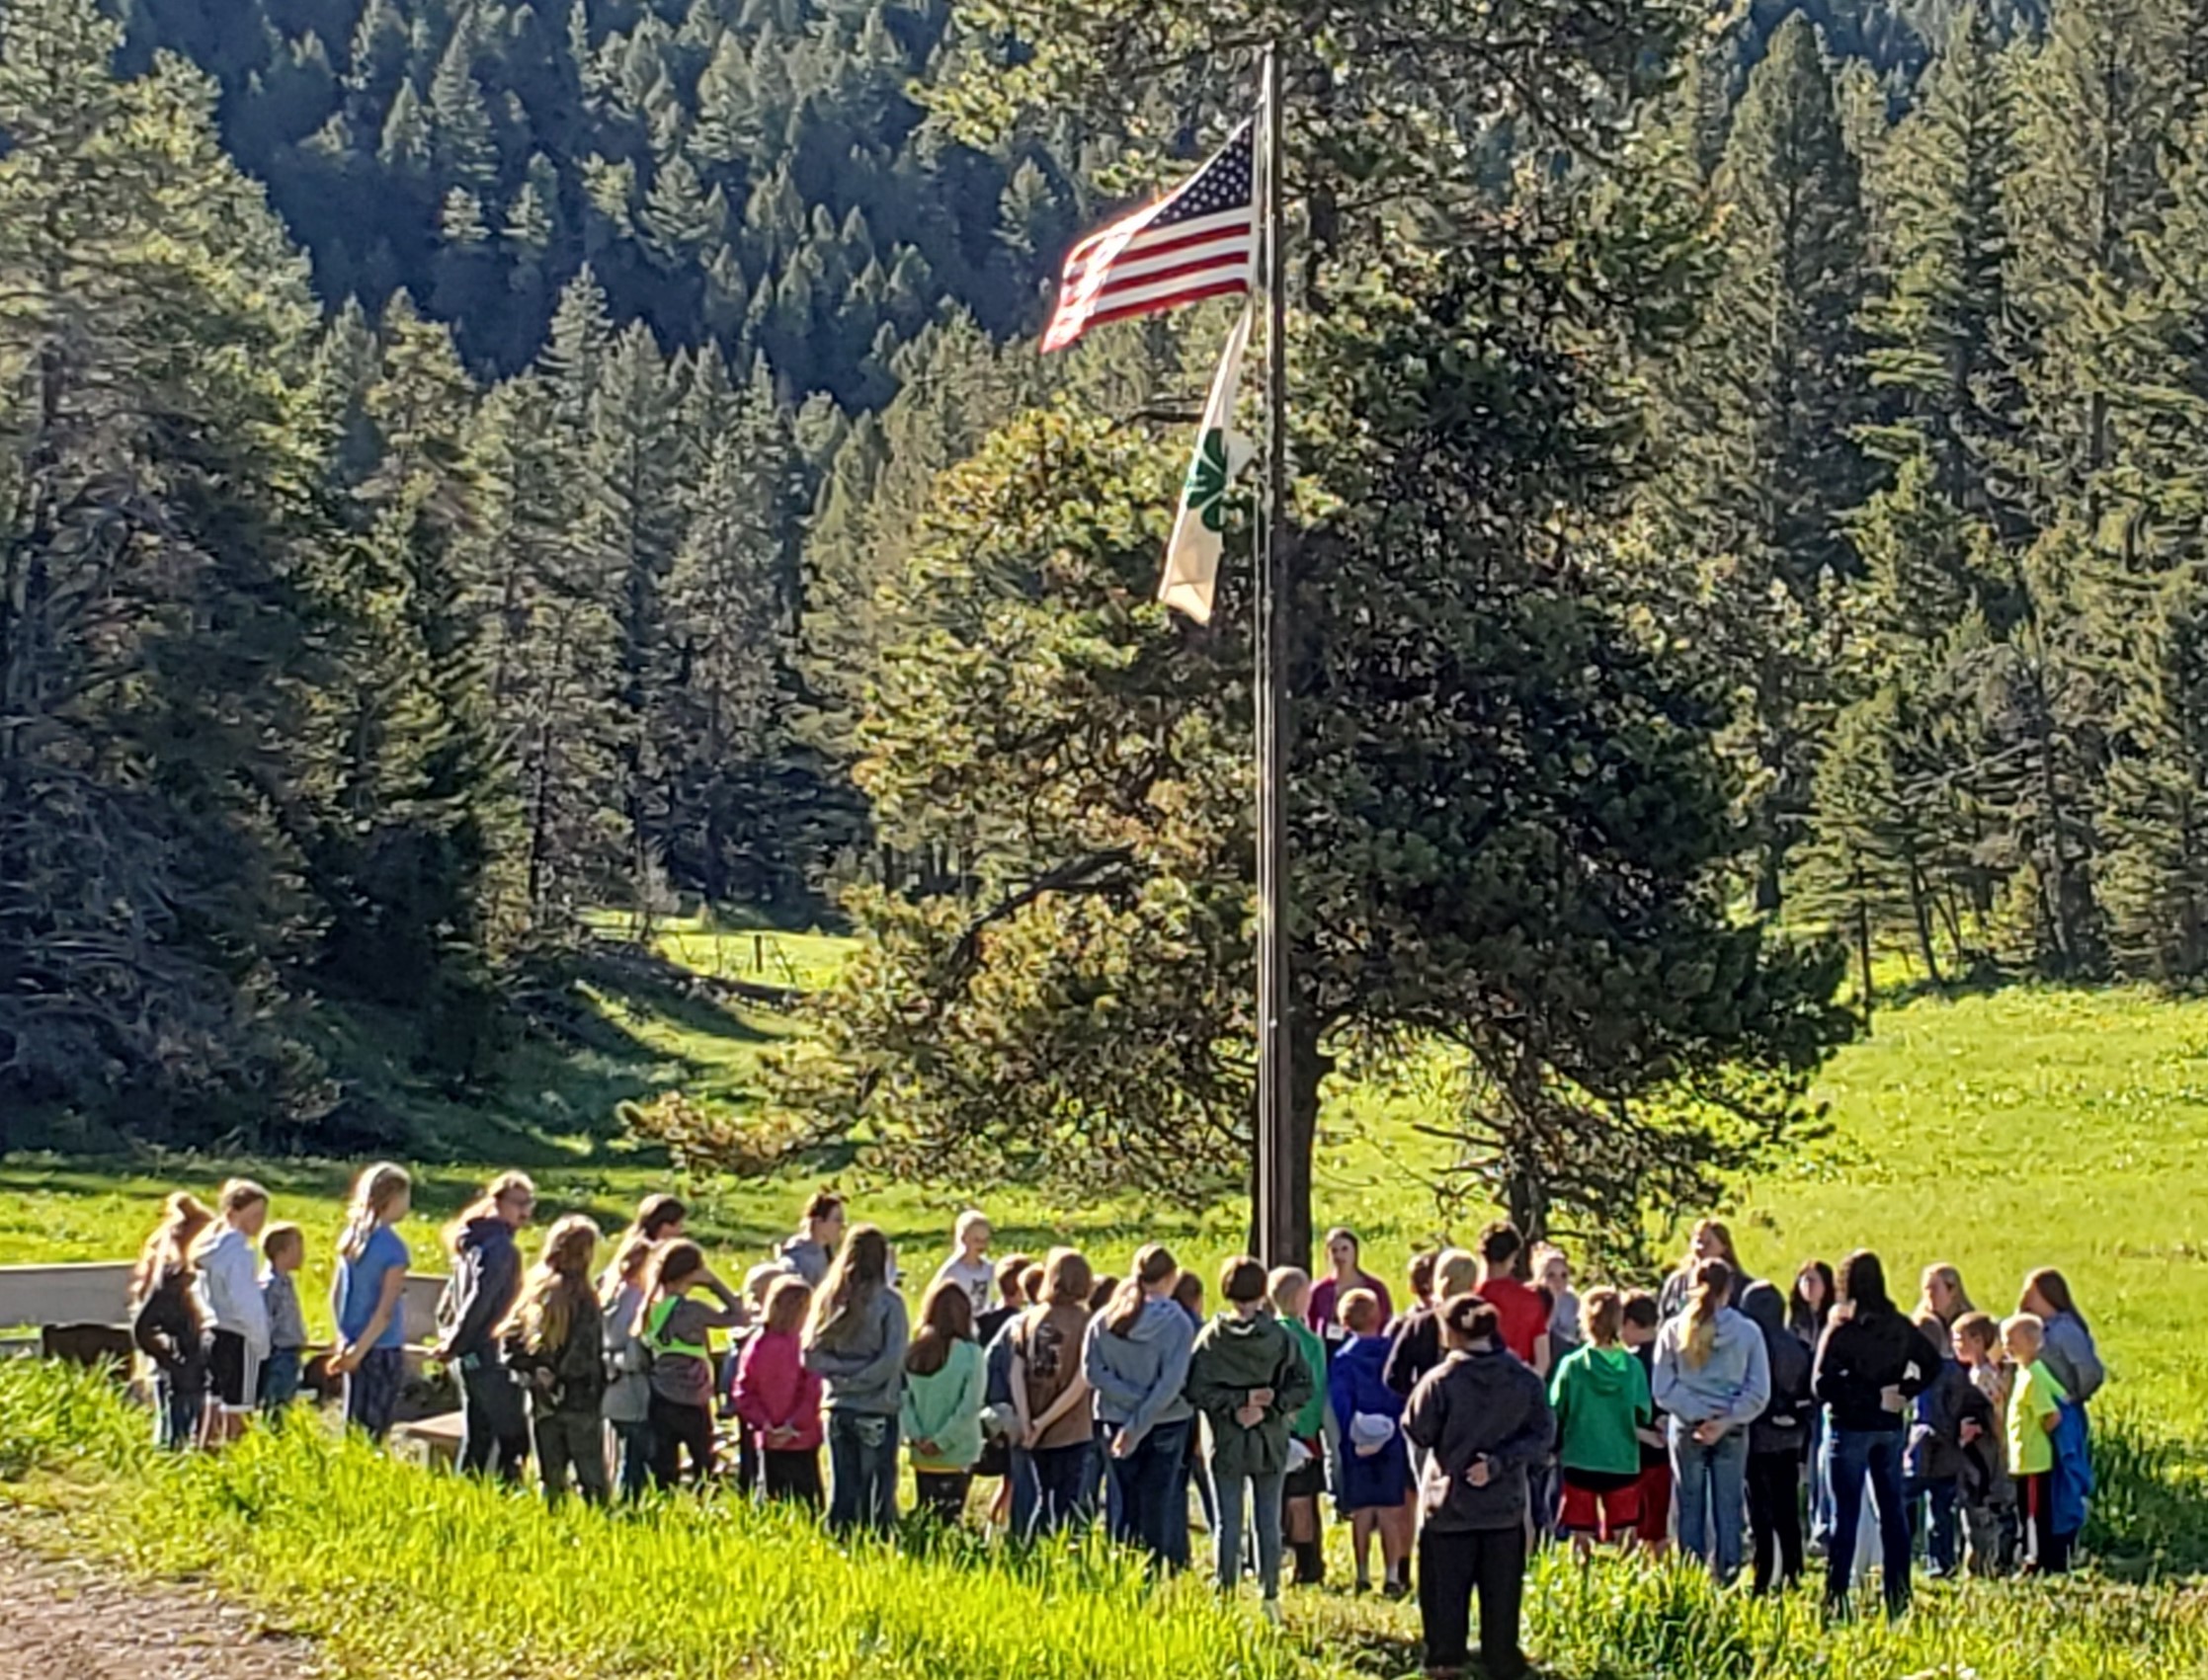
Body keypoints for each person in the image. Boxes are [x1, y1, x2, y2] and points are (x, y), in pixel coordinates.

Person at [1403, 1296, 1555, 1680]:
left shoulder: (1440, 1381)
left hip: (1450, 1508)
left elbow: (1417, 1430)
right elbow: (1543, 1437)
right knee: (1501, 1608)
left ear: (1450, 1332)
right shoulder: (1523, 1379)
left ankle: (1445, 1663)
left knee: (1445, 1608)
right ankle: (1501, 1663)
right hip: (1504, 1509)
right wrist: (1500, 1462)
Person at [1812, 1249, 1944, 1618]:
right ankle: (1898, 1595)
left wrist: (1864, 1394)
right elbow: (1932, 1364)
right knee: (1893, 1515)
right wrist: (1904, 1392)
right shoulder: (1899, 1325)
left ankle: (1837, 1596)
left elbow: (1822, 1384)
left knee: (1845, 1516)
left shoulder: (1843, 1329)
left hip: (1850, 1426)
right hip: (1888, 1426)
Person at [1186, 1256, 1311, 1622]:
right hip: (1268, 1439)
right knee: (1267, 1521)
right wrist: (1269, 1405)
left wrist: (1233, 1403)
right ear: (1262, 1293)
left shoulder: (1211, 1338)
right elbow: (1302, 1385)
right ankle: (1270, 1595)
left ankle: (1224, 1592)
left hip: (1224, 1439)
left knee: (1227, 1522)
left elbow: (1195, 1389)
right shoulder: (1279, 1337)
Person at [1652, 1258, 1770, 1584]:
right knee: (1728, 1505)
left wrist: (1697, 1413)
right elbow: (1759, 1391)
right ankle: (1728, 1577)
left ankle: (1690, 1579)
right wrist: (1726, 1418)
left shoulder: (1674, 1330)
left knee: (1689, 1503)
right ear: (1729, 1289)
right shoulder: (1747, 1332)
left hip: (1687, 1426)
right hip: (1730, 1428)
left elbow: (1663, 1388)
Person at [1083, 1243, 1196, 1567]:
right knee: (1159, 1501)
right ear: (1170, 1277)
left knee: (1122, 1500)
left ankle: (1120, 1566)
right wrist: (1143, 1412)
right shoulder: (1177, 1323)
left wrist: (1130, 1411)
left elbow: (1092, 1372)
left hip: (1114, 1420)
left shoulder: (1105, 1319)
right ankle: (1155, 1569)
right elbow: (1171, 1384)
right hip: (1166, 1421)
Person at [804, 1223, 910, 1536]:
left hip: (837, 1406)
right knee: (877, 1488)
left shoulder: (828, 1298)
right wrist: (861, 1377)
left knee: (843, 1485)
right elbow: (892, 1359)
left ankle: (840, 1540)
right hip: (877, 1406)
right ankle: (878, 1543)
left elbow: (810, 1354)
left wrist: (841, 1376)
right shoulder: (890, 1303)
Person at [499, 1214, 608, 1506]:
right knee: (591, 1476)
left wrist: (537, 1373)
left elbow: (509, 1342)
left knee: (550, 1477)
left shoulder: (535, 1287)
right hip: (578, 1399)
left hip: (540, 1399)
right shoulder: (583, 1296)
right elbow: (585, 1352)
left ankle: (552, 1526)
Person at [435, 1171, 535, 1481]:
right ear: (497, 1203)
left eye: (530, 1203)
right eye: (519, 1203)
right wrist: (454, 1342)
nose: (526, 1212)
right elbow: (480, 1299)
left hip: (469, 1356)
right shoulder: (501, 1248)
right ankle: (507, 1495)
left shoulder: (473, 1242)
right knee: (513, 1437)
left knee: (478, 1433)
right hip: (489, 1354)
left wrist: (450, 1337)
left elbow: (448, 1303)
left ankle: (466, 1492)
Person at [1547, 1287, 1653, 1560]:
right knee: (1625, 1531)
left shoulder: (1572, 1365)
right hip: (1621, 1457)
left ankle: (1582, 1586)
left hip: (1580, 1456)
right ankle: (1626, 1585)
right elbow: (1643, 1412)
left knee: (1580, 1532)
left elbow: (1557, 1408)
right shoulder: (1632, 1367)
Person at [638, 1238, 747, 1489]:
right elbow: (738, 1316)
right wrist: (714, 1285)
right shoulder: (692, 1311)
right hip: (693, 1396)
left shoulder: (650, 1308)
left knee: (664, 1465)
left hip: (660, 1395)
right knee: (704, 1463)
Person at [1329, 1289, 1414, 1595]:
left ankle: (1362, 1572)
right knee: (1391, 1509)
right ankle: (1392, 1575)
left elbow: (1339, 1401)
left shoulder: (1343, 1357)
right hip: (1391, 1436)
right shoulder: (1392, 1351)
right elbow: (1402, 1390)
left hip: (1357, 1437)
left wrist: (1348, 1429)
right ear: (1378, 1316)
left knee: (1362, 1510)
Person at [1012, 1246, 1097, 1539]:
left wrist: (1027, 1421)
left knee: (1040, 1494)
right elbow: (1082, 1380)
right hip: (1071, 1427)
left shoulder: (1029, 1319)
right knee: (1067, 1502)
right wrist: (1046, 1420)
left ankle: (1030, 1550)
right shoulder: (1086, 1323)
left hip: (1033, 1422)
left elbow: (1016, 1372)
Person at [331, 1162, 413, 1442]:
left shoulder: (351, 1238)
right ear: (394, 1198)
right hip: (381, 1346)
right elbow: (385, 1310)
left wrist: (345, 1343)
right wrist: (361, 1349)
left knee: (352, 1423)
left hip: (352, 1340)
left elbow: (336, 1294)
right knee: (375, 1429)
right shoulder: (394, 1249)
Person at [1740, 1280, 1811, 1593]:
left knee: (1760, 1507)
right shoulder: (1797, 1346)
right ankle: (1794, 1568)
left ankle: (1764, 1568)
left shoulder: (1751, 1345)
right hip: (1791, 1437)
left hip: (1757, 1436)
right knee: (1787, 1507)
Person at [192, 1178, 272, 1447]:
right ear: (232, 1214)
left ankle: (204, 1453)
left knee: (214, 1399)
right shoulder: (239, 1252)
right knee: (240, 1407)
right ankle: (238, 1460)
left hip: (214, 1329)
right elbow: (245, 1300)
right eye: (255, 1215)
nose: (260, 1222)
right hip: (240, 1334)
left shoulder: (211, 1249)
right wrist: (260, 1340)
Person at [733, 1275, 825, 1508]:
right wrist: (794, 1424)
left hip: (769, 1435)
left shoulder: (756, 1344)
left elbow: (743, 1390)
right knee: (808, 1500)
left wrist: (765, 1423)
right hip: (800, 1437)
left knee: (772, 1496)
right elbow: (812, 1390)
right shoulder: (804, 1346)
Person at [130, 1193, 212, 1452]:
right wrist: (173, 1360)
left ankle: (169, 1455)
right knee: (177, 1417)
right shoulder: (176, 1281)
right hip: (184, 1362)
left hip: (183, 1361)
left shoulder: (177, 1277)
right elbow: (144, 1328)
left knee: (173, 1415)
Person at [903, 1277, 987, 1525]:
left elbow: (903, 1399)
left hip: (921, 1452)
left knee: (925, 1512)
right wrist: (943, 1441)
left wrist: (917, 1436)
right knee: (951, 1517)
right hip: (957, 1451)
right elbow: (970, 1405)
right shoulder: (971, 1354)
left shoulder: (913, 1351)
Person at [1903, 1310, 1977, 1577]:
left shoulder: (1919, 1373)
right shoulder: (1954, 1371)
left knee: (1902, 1499)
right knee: (1941, 1510)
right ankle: (1941, 1562)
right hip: (1948, 1451)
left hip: (1924, 1449)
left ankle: (1904, 1551)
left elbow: (1922, 1413)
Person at [1269, 1266, 1331, 1587]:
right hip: (1302, 1432)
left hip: (1269, 1428)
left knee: (1272, 1497)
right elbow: (1316, 1387)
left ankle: (1272, 1556)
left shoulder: (1265, 1334)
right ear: (1298, 1297)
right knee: (1302, 1499)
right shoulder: (1310, 1341)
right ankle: (1308, 1565)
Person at [2003, 1313, 2074, 1573]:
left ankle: (2036, 1559)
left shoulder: (2032, 1378)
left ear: (2032, 1343)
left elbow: (2051, 1414)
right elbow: (2063, 1394)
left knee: (2033, 1514)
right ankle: (2037, 1557)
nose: (2006, 1345)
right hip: (2024, 1458)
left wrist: (2044, 1435)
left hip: (2033, 1459)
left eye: (2011, 1340)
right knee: (2030, 1511)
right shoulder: (2032, 1372)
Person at [1952, 1311, 2017, 1575]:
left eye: (1960, 1339)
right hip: (1987, 1446)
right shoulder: (1983, 1373)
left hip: (1984, 1448)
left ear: (1978, 1341)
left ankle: (1984, 1562)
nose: (1956, 1345)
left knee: (1980, 1503)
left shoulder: (1981, 1377)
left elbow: (1994, 1409)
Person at [601, 1235, 656, 1499]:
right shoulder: (634, 1299)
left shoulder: (611, 1293)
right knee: (636, 1454)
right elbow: (631, 1345)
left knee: (621, 1448)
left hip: (611, 1387)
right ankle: (629, 1502)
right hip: (630, 1388)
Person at [1789, 1259, 1838, 1550]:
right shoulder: (1795, 1321)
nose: (1808, 1286)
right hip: (1800, 1401)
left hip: (1826, 1400)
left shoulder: (1834, 1320)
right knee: (1808, 1463)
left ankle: (1824, 1525)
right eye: (1803, 1280)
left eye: (1814, 1280)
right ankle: (1813, 1521)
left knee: (1823, 1461)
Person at [1387, 1249, 1479, 1398]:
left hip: (1430, 1410)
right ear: (1474, 1284)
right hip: (1472, 1410)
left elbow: (1393, 1376)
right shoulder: (1481, 1322)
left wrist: (1418, 1396)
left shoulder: (1420, 1323)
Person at [1619, 1292, 1671, 1556]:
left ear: (1629, 1323)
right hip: (1666, 1450)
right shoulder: (1671, 1357)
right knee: (1660, 1527)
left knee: (1634, 1526)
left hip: (1635, 1451)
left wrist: (1643, 1433)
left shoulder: (1628, 1363)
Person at [1472, 1225, 1550, 1376]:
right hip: (1517, 1383)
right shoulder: (1531, 1301)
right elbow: (1543, 1360)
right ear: (1513, 1257)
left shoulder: (1472, 1298)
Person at [1308, 1228, 1392, 1350]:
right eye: (1334, 1251)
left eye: (1345, 1249)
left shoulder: (1375, 1288)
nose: (1339, 1255)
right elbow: (1312, 1327)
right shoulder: (1320, 1290)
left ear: (1355, 1252)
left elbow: (1386, 1323)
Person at [258, 1224, 308, 1415]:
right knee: (276, 1403)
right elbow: (267, 1321)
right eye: (298, 1249)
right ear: (283, 1252)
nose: (302, 1255)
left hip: (290, 1351)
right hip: (279, 1353)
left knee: (287, 1401)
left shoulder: (286, 1282)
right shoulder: (270, 1286)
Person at [1658, 1220, 1753, 1320]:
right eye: (1698, 1242)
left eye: (1707, 1243)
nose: (1700, 1248)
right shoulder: (1677, 1282)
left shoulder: (1740, 1284)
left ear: (1724, 1247)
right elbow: (1663, 1317)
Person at [598, 1193, 686, 1292]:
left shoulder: (631, 1241)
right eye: (679, 1225)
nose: (681, 1231)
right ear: (664, 1226)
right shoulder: (643, 1251)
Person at [930, 1209, 994, 1322]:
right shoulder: (953, 1270)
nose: (982, 1245)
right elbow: (935, 1298)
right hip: (958, 1324)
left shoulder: (989, 1268)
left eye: (985, 1240)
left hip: (983, 1323)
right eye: (977, 1240)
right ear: (964, 1239)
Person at [778, 1191, 846, 1287]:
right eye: (837, 1220)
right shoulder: (796, 1259)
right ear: (819, 1222)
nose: (842, 1226)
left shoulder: (826, 1253)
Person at [1534, 1245, 1582, 1363]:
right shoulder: (1533, 1300)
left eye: (1563, 1275)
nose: (1558, 1281)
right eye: (1551, 1275)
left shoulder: (1573, 1301)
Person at [1916, 1263, 1975, 1331]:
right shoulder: (1920, 1326)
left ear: (1952, 1290)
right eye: (1927, 1288)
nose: (1929, 1294)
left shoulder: (1971, 1324)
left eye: (1934, 1288)